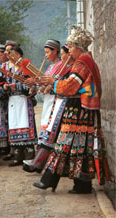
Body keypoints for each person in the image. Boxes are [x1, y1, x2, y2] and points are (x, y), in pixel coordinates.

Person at [33, 25, 110, 193]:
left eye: (71, 46)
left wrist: (53, 83)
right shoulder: (87, 61)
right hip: (83, 110)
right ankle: (81, 184)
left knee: (65, 144)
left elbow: (71, 86)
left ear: (77, 46)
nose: (70, 50)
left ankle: (50, 180)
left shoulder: (82, 62)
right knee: (80, 148)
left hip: (77, 110)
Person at [23, 40, 70, 173]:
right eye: (45, 53)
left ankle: (47, 164)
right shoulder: (49, 67)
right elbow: (45, 83)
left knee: (53, 133)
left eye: (48, 52)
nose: (46, 55)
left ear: (55, 51)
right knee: (46, 132)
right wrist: (37, 85)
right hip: (48, 102)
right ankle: (42, 163)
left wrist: (49, 86)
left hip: (57, 102)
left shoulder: (63, 65)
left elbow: (62, 85)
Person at [3, 45, 37, 167]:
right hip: (12, 101)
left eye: (11, 53)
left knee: (25, 124)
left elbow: (32, 87)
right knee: (15, 125)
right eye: (7, 53)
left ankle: (29, 155)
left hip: (23, 100)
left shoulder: (26, 68)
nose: (9, 56)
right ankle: (18, 156)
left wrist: (16, 86)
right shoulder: (8, 70)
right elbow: (3, 84)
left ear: (19, 55)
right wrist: (5, 87)